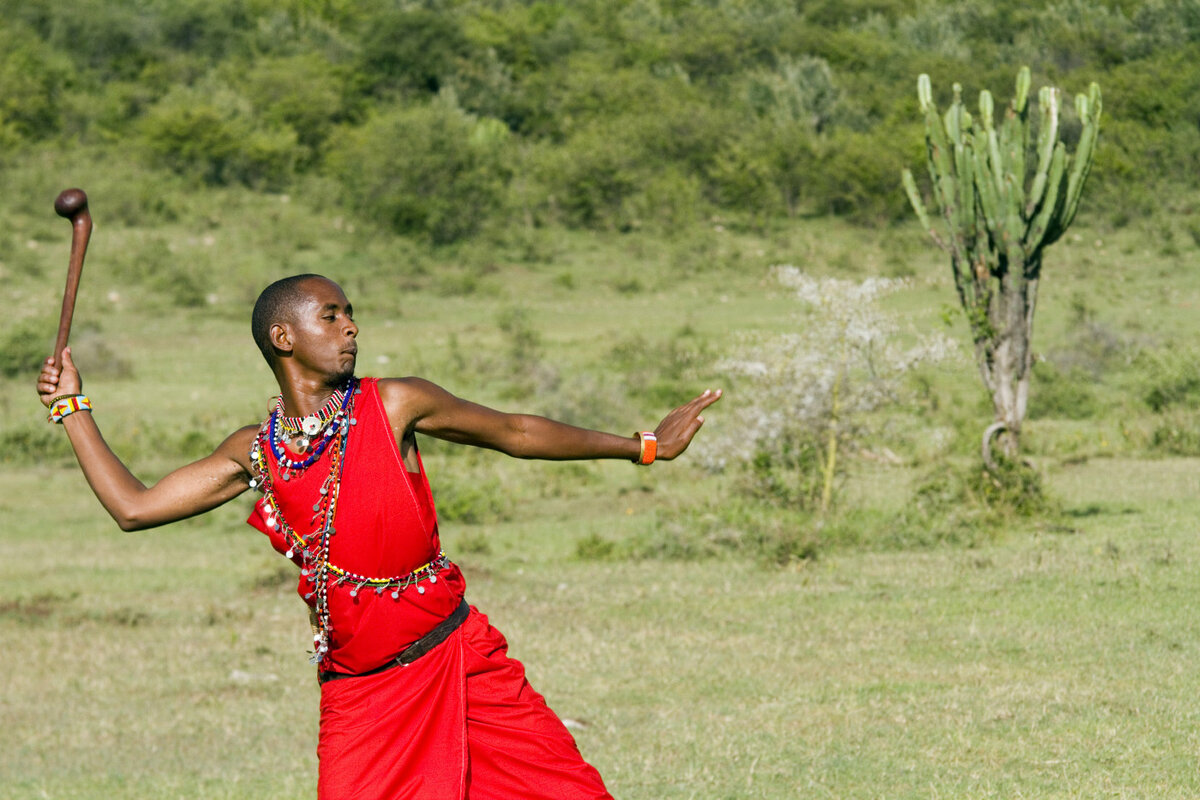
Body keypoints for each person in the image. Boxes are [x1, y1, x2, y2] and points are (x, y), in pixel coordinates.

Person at [35, 273, 721, 799]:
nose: (351, 327)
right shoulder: (257, 451)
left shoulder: (392, 404)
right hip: (360, 693)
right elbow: (133, 506)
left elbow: (514, 431)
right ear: (284, 337)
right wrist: (72, 407)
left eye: (350, 314)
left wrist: (645, 446)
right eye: (331, 316)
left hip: (460, 663)